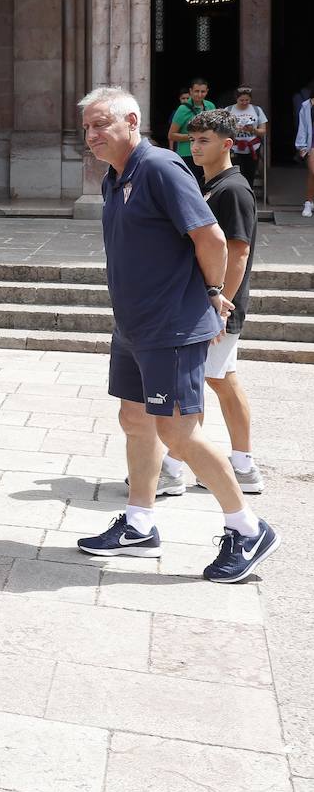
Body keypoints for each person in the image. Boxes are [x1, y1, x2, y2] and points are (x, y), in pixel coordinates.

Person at [75, 86, 279, 582]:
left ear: (131, 120)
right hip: (134, 323)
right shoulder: (114, 176)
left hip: (170, 323)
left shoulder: (161, 168)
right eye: (87, 128)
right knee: (135, 418)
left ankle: (248, 528)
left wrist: (213, 291)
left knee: (177, 429)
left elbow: (210, 236)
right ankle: (141, 524)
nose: (92, 135)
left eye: (101, 124)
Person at [167, 109, 263, 493]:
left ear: (227, 144)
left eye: (204, 140)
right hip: (210, 304)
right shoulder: (210, 185)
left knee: (195, 384)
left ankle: (174, 469)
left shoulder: (233, 190)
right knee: (220, 380)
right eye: (193, 140)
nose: (196, 147)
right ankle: (241, 466)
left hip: (217, 307)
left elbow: (238, 252)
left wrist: (220, 303)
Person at [167, 77, 216, 186]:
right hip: (187, 154)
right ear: (190, 91)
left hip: (207, 153)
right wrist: (193, 137)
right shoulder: (182, 109)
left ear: (207, 91)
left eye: (202, 91)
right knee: (190, 186)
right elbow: (171, 135)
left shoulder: (210, 106)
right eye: (196, 91)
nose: (199, 95)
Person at [224, 87, 267, 188]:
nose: (244, 102)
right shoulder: (229, 110)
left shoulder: (257, 110)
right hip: (234, 148)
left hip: (252, 148)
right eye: (241, 100)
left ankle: (248, 196)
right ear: (236, 99)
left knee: (250, 175)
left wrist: (253, 130)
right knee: (235, 175)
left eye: (247, 100)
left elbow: (263, 131)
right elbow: (222, 130)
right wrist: (234, 129)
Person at [297, 93, 313, 217]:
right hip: (312, 143)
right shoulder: (307, 105)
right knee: (313, 172)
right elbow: (302, 126)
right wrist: (301, 145)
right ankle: (308, 202)